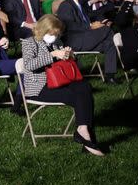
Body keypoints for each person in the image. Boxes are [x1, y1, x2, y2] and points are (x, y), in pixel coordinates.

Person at [20, 14, 104, 156]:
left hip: (58, 81)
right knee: (82, 97)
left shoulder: (56, 42)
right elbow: (29, 65)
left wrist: (69, 55)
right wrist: (52, 55)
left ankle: (83, 131)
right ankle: (87, 138)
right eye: (52, 33)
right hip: (39, 88)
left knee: (85, 87)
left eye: (57, 34)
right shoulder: (29, 43)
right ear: (43, 29)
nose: (55, 36)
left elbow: (66, 64)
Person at [55, 0, 120, 84]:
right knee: (107, 30)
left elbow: (89, 18)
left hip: (86, 38)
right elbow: (70, 25)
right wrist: (91, 26)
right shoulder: (66, 5)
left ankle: (110, 76)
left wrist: (98, 23)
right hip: (74, 41)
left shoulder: (80, 5)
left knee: (109, 43)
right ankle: (123, 58)